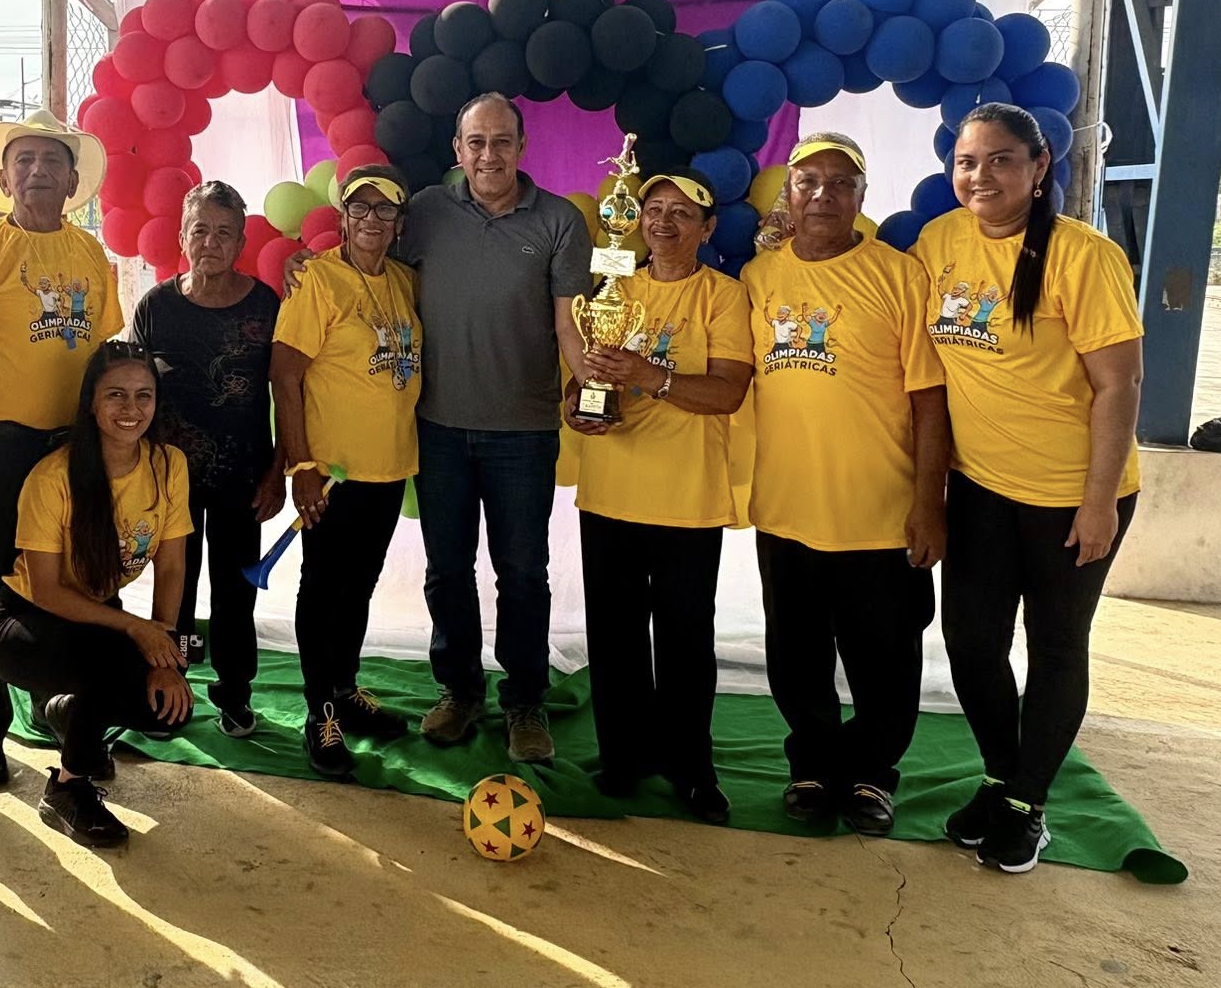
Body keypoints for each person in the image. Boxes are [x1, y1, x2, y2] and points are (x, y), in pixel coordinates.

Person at [288, 93, 591, 764]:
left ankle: (525, 701)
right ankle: (459, 691)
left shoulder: (560, 221)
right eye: (475, 142)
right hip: (439, 433)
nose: (489, 155)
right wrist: (303, 258)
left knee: (523, 573)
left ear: (522, 146)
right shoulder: (425, 211)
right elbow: (360, 250)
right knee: (447, 570)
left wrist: (587, 385)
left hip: (524, 432)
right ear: (458, 150)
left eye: (502, 141)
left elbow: (571, 323)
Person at [918, 103, 1144, 874]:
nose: (981, 176)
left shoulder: (1084, 257)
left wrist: (1098, 502)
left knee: (1055, 645)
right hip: (981, 487)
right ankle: (999, 777)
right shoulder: (940, 241)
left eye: (1001, 159)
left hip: (1072, 494)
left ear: (1039, 167)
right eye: (967, 161)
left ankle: (1028, 804)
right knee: (971, 642)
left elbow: (1119, 385)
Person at [740, 133, 950, 837]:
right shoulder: (758, 278)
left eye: (840, 183)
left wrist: (929, 504)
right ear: (788, 195)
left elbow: (930, 400)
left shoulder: (899, 277)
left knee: (884, 658)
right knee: (795, 654)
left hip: (880, 513)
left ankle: (872, 774)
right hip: (787, 506)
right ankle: (812, 766)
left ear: (862, 195)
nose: (823, 195)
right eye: (808, 182)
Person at [563, 168, 753, 823]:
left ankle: (691, 768)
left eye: (681, 212)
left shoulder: (723, 296)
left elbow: (728, 392)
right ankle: (622, 756)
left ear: (707, 228)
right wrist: (579, 406)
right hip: (611, 493)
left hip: (686, 498)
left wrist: (650, 375)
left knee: (685, 641)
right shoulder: (613, 289)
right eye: (654, 209)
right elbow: (585, 379)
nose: (664, 222)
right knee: (614, 637)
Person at [0, 109, 120, 788]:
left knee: (73, 582)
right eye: (25, 160)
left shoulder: (91, 255)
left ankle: (70, 720)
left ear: (73, 181)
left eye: (52, 161)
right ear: (4, 177)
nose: (39, 171)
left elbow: (102, 355)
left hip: (72, 448)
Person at [0, 342, 195, 847]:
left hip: (96, 618)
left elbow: (171, 566)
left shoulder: (169, 465)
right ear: (91, 404)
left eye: (144, 395)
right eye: (116, 395)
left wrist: (164, 649)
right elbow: (47, 590)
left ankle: (67, 712)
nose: (131, 408)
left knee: (166, 709)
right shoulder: (53, 477)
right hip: (24, 622)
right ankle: (67, 788)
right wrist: (137, 629)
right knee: (109, 659)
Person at [271, 167, 424, 776]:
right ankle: (321, 713)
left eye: (385, 210)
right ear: (343, 218)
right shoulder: (318, 279)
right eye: (360, 208)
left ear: (399, 223)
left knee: (359, 585)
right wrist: (301, 464)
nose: (371, 219)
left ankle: (344, 688)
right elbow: (285, 373)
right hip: (331, 471)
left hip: (386, 468)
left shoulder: (404, 280)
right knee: (323, 588)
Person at [128, 181, 284, 736]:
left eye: (224, 233)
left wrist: (279, 472)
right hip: (171, 483)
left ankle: (235, 693)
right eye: (200, 231)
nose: (211, 243)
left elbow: (289, 394)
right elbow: (132, 393)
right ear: (182, 237)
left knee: (236, 589)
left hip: (245, 478)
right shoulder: (156, 307)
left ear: (240, 242)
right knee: (174, 588)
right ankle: (168, 687)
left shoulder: (266, 305)